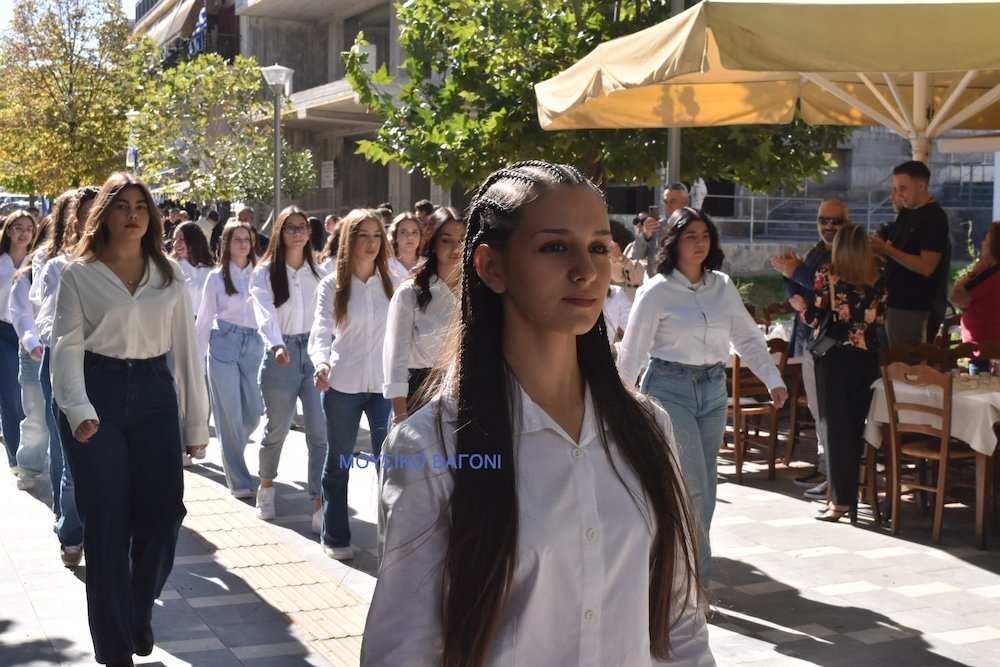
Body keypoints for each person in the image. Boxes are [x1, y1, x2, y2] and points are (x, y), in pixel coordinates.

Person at [361, 161, 713, 666]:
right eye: (554, 247)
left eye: (598, 247)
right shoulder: (431, 448)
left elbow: (680, 624)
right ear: (491, 266)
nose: (585, 270)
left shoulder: (647, 427)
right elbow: (404, 650)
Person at [51, 172, 209, 666]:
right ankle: (115, 649)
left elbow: (186, 352)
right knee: (107, 525)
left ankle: (138, 610)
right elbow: (65, 348)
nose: (133, 214)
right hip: (95, 393)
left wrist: (196, 424)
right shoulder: (79, 275)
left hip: (155, 396)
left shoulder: (169, 275)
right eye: (122, 205)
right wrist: (78, 410)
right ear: (104, 215)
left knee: (164, 516)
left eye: (141, 206)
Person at [618, 207, 787, 584]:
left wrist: (772, 378)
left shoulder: (722, 286)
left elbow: (746, 337)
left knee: (706, 484)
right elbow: (633, 351)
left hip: (713, 389)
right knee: (692, 484)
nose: (699, 243)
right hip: (668, 388)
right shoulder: (656, 290)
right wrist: (618, 401)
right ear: (674, 242)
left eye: (705, 235)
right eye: (690, 236)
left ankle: (681, 568)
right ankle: (696, 582)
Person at [310, 209, 397, 561]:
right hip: (342, 385)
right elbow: (321, 331)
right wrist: (321, 363)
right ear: (350, 239)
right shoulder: (331, 285)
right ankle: (335, 535)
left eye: (377, 236)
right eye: (364, 235)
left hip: (384, 388)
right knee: (339, 461)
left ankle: (391, 540)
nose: (372, 243)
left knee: (388, 464)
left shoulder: (394, 281)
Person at [790, 224, 886, 523]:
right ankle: (850, 496)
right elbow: (879, 318)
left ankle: (840, 500)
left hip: (835, 359)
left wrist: (801, 307)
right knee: (855, 429)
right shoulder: (878, 277)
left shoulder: (829, 275)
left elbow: (818, 318)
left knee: (834, 429)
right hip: (868, 358)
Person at [249, 206, 327, 529]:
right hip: (282, 354)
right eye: (291, 227)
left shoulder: (320, 273)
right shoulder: (265, 273)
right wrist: (276, 344)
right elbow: (264, 311)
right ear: (280, 233)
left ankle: (318, 503)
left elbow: (328, 317)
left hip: (314, 353)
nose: (297, 233)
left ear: (309, 234)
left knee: (319, 433)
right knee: (277, 429)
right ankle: (266, 486)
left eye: (302, 227)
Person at [769, 199, 849, 499]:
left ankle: (834, 473)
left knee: (830, 411)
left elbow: (830, 292)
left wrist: (798, 271)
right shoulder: (817, 251)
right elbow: (799, 295)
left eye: (836, 221)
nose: (829, 226)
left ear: (847, 223)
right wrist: (788, 274)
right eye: (823, 220)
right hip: (810, 339)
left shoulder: (847, 253)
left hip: (833, 345)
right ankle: (824, 467)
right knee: (818, 410)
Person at [36, 186, 97, 567]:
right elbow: (44, 319)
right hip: (65, 366)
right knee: (69, 459)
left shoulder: (124, 265)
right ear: (75, 220)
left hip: (110, 369)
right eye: (88, 214)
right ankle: (71, 531)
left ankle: (99, 530)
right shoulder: (57, 265)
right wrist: (70, 338)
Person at [196, 221, 264, 497]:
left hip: (255, 345)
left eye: (247, 239)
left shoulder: (262, 274)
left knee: (254, 413)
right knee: (229, 415)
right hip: (224, 343)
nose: (243, 244)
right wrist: (196, 362)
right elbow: (204, 320)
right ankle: (239, 480)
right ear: (227, 243)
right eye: (237, 239)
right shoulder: (216, 277)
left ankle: (233, 445)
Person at [383, 215, 465, 421]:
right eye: (446, 240)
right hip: (420, 392)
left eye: (462, 239)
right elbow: (396, 356)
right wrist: (400, 413)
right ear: (433, 242)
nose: (456, 247)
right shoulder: (410, 292)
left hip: (464, 390)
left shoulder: (476, 292)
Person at [870, 160, 949, 347]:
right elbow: (894, 253)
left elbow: (926, 266)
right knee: (889, 358)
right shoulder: (907, 213)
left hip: (914, 306)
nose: (898, 194)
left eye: (903, 188)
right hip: (892, 300)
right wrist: (878, 251)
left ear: (921, 186)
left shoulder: (934, 217)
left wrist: (886, 250)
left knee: (907, 360)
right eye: (896, 189)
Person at [0, 210, 36, 480]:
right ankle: (16, 457)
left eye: (29, 229)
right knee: (11, 392)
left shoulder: (36, 263)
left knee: (29, 396)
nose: (24, 233)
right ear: (9, 230)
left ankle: (31, 452)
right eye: (19, 228)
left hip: (30, 335)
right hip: (3, 332)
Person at [950, 221, 1000, 374]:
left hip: (984, 349)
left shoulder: (989, 274)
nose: (982, 243)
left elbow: (956, 296)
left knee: (981, 387)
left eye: (987, 239)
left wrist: (975, 271)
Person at [628, 182, 690, 278]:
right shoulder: (656, 226)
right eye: (665, 202)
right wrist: (645, 236)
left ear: (686, 202)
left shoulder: (696, 227)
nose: (667, 206)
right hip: (655, 282)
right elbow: (636, 255)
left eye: (673, 202)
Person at [170, 221, 214, 316]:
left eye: (181, 239)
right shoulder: (171, 267)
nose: (176, 244)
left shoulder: (211, 269)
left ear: (194, 240)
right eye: (175, 240)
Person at [386, 212, 423, 280]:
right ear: (395, 236)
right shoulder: (386, 267)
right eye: (403, 232)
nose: (410, 237)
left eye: (414, 232)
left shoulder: (427, 265)